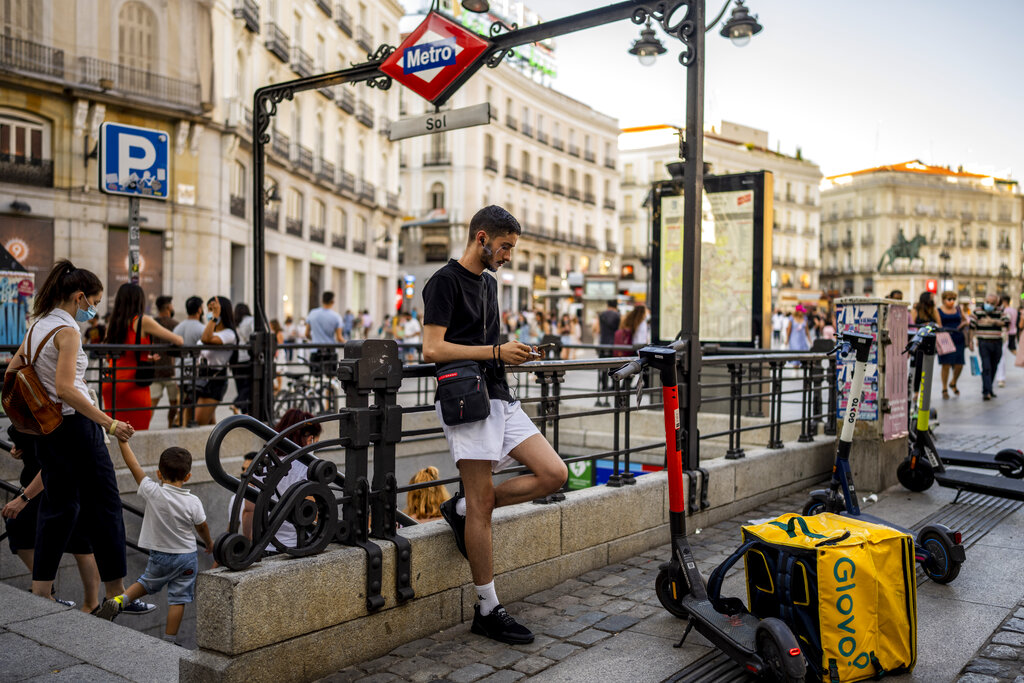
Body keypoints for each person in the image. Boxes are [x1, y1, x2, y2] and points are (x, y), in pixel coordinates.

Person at [422, 205, 567, 645]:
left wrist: (512, 353)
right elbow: (432, 348)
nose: (508, 256)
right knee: (484, 502)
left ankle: (465, 508)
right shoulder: (443, 282)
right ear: (481, 238)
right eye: (504, 247)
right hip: (467, 401)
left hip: (500, 396)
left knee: (553, 473)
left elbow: (489, 347)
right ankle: (487, 607)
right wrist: (496, 353)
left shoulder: (489, 282)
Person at [9, 260, 133, 608]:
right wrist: (108, 422)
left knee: (58, 507)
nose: (93, 309)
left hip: (48, 430)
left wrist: (40, 397)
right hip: (76, 426)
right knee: (106, 505)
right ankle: (116, 593)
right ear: (80, 297)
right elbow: (66, 389)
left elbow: (15, 368)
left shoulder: (37, 326)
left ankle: (41, 590)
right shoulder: (68, 331)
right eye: (93, 301)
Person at [97, 441, 213, 646]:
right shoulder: (193, 501)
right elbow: (201, 527)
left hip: (160, 555)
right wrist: (209, 543)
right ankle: (169, 640)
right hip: (186, 556)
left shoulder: (153, 491)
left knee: (144, 582)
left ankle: (118, 601)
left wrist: (123, 441)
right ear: (188, 477)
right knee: (178, 599)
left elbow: (134, 466)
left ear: (159, 474)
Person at [3, 426, 99, 611]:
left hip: (52, 485)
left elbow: (53, 461)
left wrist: (24, 498)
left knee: (79, 542)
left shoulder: (54, 416)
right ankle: (86, 602)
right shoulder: (38, 414)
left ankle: (49, 589)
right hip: (58, 483)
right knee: (79, 542)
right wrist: (21, 449)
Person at [102, 284, 183, 430]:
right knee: (135, 434)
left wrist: (143, 356)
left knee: (115, 434)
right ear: (140, 300)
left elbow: (111, 356)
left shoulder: (112, 323)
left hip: (111, 383)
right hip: (133, 385)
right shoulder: (142, 320)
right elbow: (178, 340)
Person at [243, 409, 322, 552]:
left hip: (266, 545)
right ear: (310, 438)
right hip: (298, 545)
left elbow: (248, 510)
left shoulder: (261, 463)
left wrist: (251, 545)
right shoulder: (310, 468)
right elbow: (311, 511)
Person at [194, 296, 237, 425]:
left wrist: (214, 317)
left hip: (214, 380)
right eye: (209, 309)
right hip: (201, 378)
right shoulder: (210, 330)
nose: (210, 313)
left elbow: (205, 339)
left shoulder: (229, 333)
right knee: (208, 424)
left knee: (198, 423)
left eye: (213, 309)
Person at [970, 292, 1010, 400]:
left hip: (997, 342)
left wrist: (992, 321)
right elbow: (972, 326)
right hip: (984, 342)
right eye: (987, 302)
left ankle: (989, 388)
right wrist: (970, 342)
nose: (989, 304)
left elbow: (1006, 322)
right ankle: (986, 391)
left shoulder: (1000, 311)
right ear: (984, 301)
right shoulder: (977, 311)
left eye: (992, 303)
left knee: (994, 366)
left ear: (996, 303)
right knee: (986, 366)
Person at [173, 297, 206, 427]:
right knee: (192, 406)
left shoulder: (178, 328)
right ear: (199, 310)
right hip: (195, 373)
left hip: (180, 371)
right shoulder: (201, 329)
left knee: (182, 403)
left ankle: (179, 423)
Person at [150, 295, 181, 429]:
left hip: (154, 370)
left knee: (152, 403)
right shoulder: (175, 324)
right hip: (171, 371)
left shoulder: (151, 323)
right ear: (168, 307)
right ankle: (170, 424)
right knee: (174, 403)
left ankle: (143, 426)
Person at [937, 291, 968, 399]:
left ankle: (953, 382)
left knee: (959, 364)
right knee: (946, 364)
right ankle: (944, 388)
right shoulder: (939, 310)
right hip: (945, 339)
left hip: (958, 338)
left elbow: (965, 320)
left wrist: (963, 324)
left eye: (953, 299)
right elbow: (938, 323)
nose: (952, 302)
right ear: (943, 300)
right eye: (949, 299)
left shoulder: (958, 309)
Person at [592, 300, 621, 406]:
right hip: (614, 344)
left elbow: (598, 330)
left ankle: (603, 386)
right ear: (616, 305)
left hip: (603, 343)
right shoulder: (618, 315)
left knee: (603, 367)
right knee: (614, 367)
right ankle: (614, 386)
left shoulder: (602, 315)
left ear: (607, 305)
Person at [232, 303, 255, 415]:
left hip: (236, 359)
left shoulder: (235, 324)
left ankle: (244, 411)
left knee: (240, 385)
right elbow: (255, 336)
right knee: (248, 385)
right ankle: (237, 403)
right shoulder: (251, 320)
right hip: (248, 357)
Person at [995, 294, 1016, 388]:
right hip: (1013, 333)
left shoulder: (1005, 311)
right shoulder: (1014, 310)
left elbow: (1006, 324)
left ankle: (1001, 378)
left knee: (1001, 356)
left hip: (1005, 334)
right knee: (1012, 350)